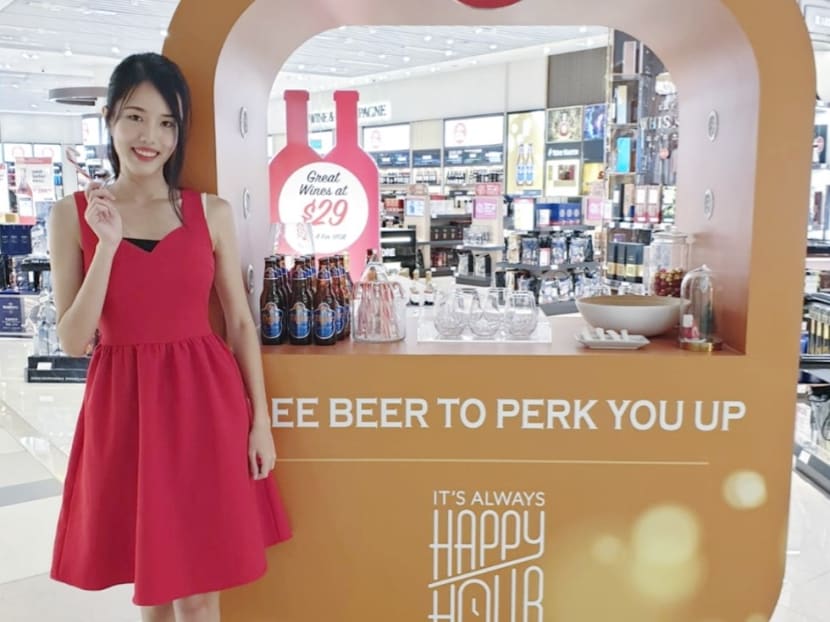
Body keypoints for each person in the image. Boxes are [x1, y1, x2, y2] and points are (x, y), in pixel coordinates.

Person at [48, 52, 291, 621]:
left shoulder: (210, 212)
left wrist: (260, 421)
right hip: (124, 407)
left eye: (166, 122)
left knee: (202, 586)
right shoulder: (73, 214)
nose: (149, 136)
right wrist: (106, 245)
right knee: (152, 586)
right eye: (135, 117)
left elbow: (237, 321)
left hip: (206, 404)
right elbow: (71, 338)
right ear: (110, 118)